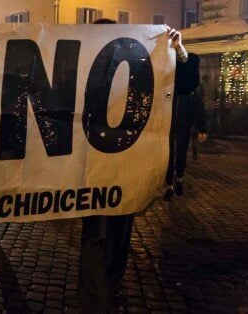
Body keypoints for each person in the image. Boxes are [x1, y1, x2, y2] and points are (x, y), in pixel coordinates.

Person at [77, 19, 189, 313]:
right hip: (92, 171)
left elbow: (184, 83)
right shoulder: (80, 71)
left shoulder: (139, 68)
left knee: (120, 234)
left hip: (126, 168)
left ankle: (110, 283)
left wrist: (178, 50)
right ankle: (93, 301)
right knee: (94, 235)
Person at [164, 53, 208, 201]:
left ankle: (179, 180)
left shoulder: (192, 88)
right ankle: (169, 185)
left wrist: (202, 128)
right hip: (168, 126)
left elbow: (198, 106)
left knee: (181, 154)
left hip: (184, 125)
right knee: (168, 155)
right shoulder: (169, 87)